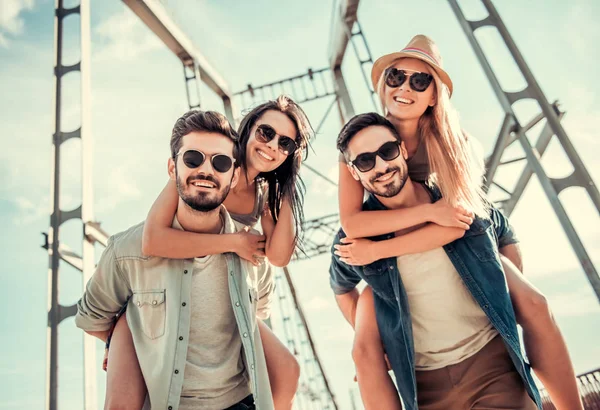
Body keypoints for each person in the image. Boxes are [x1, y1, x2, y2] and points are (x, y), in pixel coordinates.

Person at [334, 35, 581, 410]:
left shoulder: (453, 143)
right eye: (397, 76)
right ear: (384, 83)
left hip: (475, 229)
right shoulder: (360, 139)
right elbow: (352, 226)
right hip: (406, 226)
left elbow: (459, 224)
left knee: (531, 303)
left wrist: (380, 247)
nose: (405, 87)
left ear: (434, 95)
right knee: (366, 331)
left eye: (420, 81)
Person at [102, 96, 314, 410]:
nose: (272, 146)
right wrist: (233, 243)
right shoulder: (209, 167)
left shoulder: (264, 194)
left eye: (286, 143)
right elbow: (153, 239)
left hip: (221, 296)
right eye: (265, 133)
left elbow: (280, 256)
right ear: (248, 129)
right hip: (164, 290)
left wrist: (287, 181)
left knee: (286, 372)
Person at [331, 112, 541, 409]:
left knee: (537, 304)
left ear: (402, 150)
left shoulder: (449, 194)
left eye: (387, 152)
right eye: (365, 161)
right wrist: (387, 338)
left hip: (492, 368)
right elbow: (340, 286)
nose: (380, 166)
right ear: (354, 172)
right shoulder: (355, 238)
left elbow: (502, 230)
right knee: (367, 309)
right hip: (424, 386)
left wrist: (502, 299)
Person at [76, 110, 275, 410]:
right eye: (193, 159)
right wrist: (124, 340)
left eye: (220, 162)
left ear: (234, 176)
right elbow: (92, 318)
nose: (206, 171)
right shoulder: (127, 251)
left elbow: (259, 314)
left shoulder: (252, 250)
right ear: (172, 168)